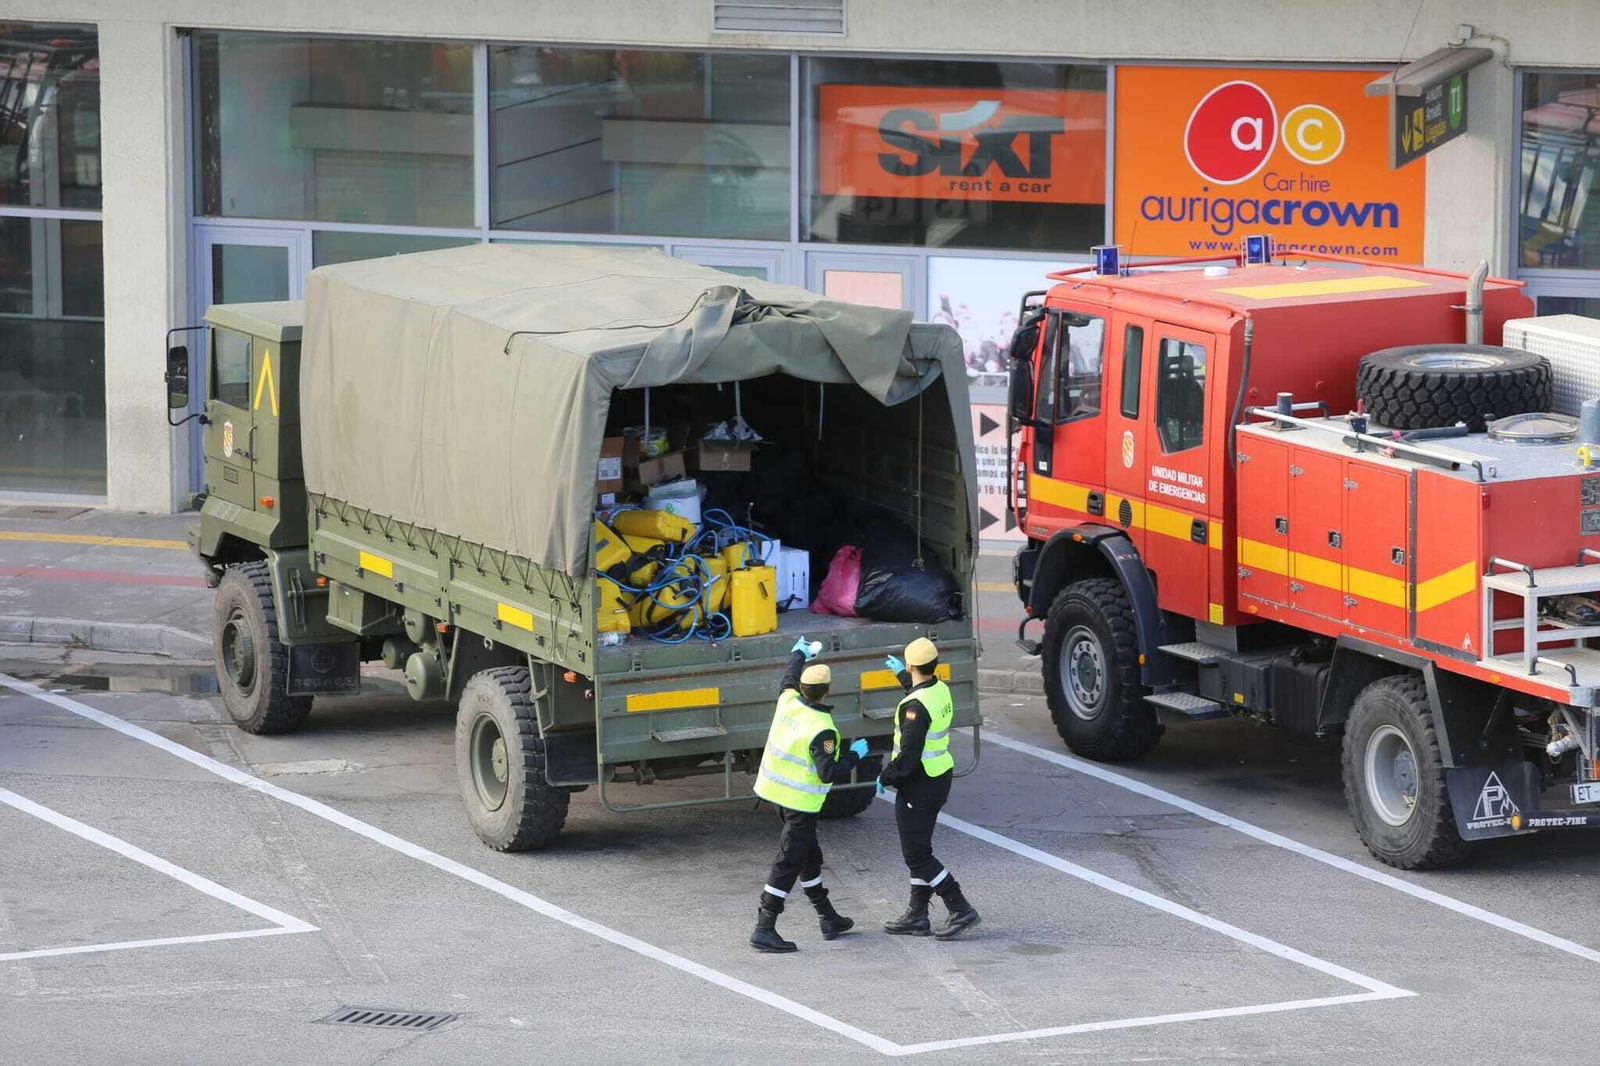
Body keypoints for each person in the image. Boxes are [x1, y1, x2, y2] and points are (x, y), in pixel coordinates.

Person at [749, 636, 869, 953]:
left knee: (809, 857)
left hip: (776, 794)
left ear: (802, 688)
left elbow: (788, 676)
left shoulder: (787, 700)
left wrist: (799, 653)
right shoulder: (822, 727)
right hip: (800, 804)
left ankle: (828, 917)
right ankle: (764, 928)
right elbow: (828, 772)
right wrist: (855, 755)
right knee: (788, 862)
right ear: (828, 691)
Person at [877, 637, 980, 939]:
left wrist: (885, 777)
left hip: (918, 784)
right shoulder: (940, 688)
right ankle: (917, 915)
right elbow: (920, 694)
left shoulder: (914, 707)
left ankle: (959, 906)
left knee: (917, 856)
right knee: (920, 847)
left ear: (911, 665)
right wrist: (903, 677)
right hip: (938, 777)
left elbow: (908, 757)